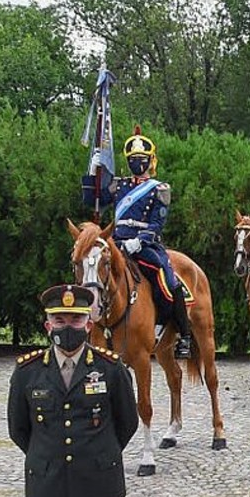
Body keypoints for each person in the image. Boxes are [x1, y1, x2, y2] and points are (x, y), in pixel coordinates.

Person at [7, 284, 139, 497]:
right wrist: (49, 458)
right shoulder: (27, 373)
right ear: (47, 324)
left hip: (99, 484)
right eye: (59, 319)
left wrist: (97, 457)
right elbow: (19, 429)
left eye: (76, 319)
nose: (68, 326)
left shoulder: (111, 370)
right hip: (49, 488)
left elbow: (126, 423)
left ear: (89, 323)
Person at [82, 125, 193, 358]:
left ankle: (183, 334)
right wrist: (93, 173)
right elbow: (94, 200)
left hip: (145, 245)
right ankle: (90, 322)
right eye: (133, 158)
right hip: (116, 242)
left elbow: (157, 224)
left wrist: (139, 241)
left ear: (150, 160)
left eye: (141, 158)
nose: (137, 162)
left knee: (168, 281)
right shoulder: (118, 184)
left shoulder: (160, 189)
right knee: (90, 268)